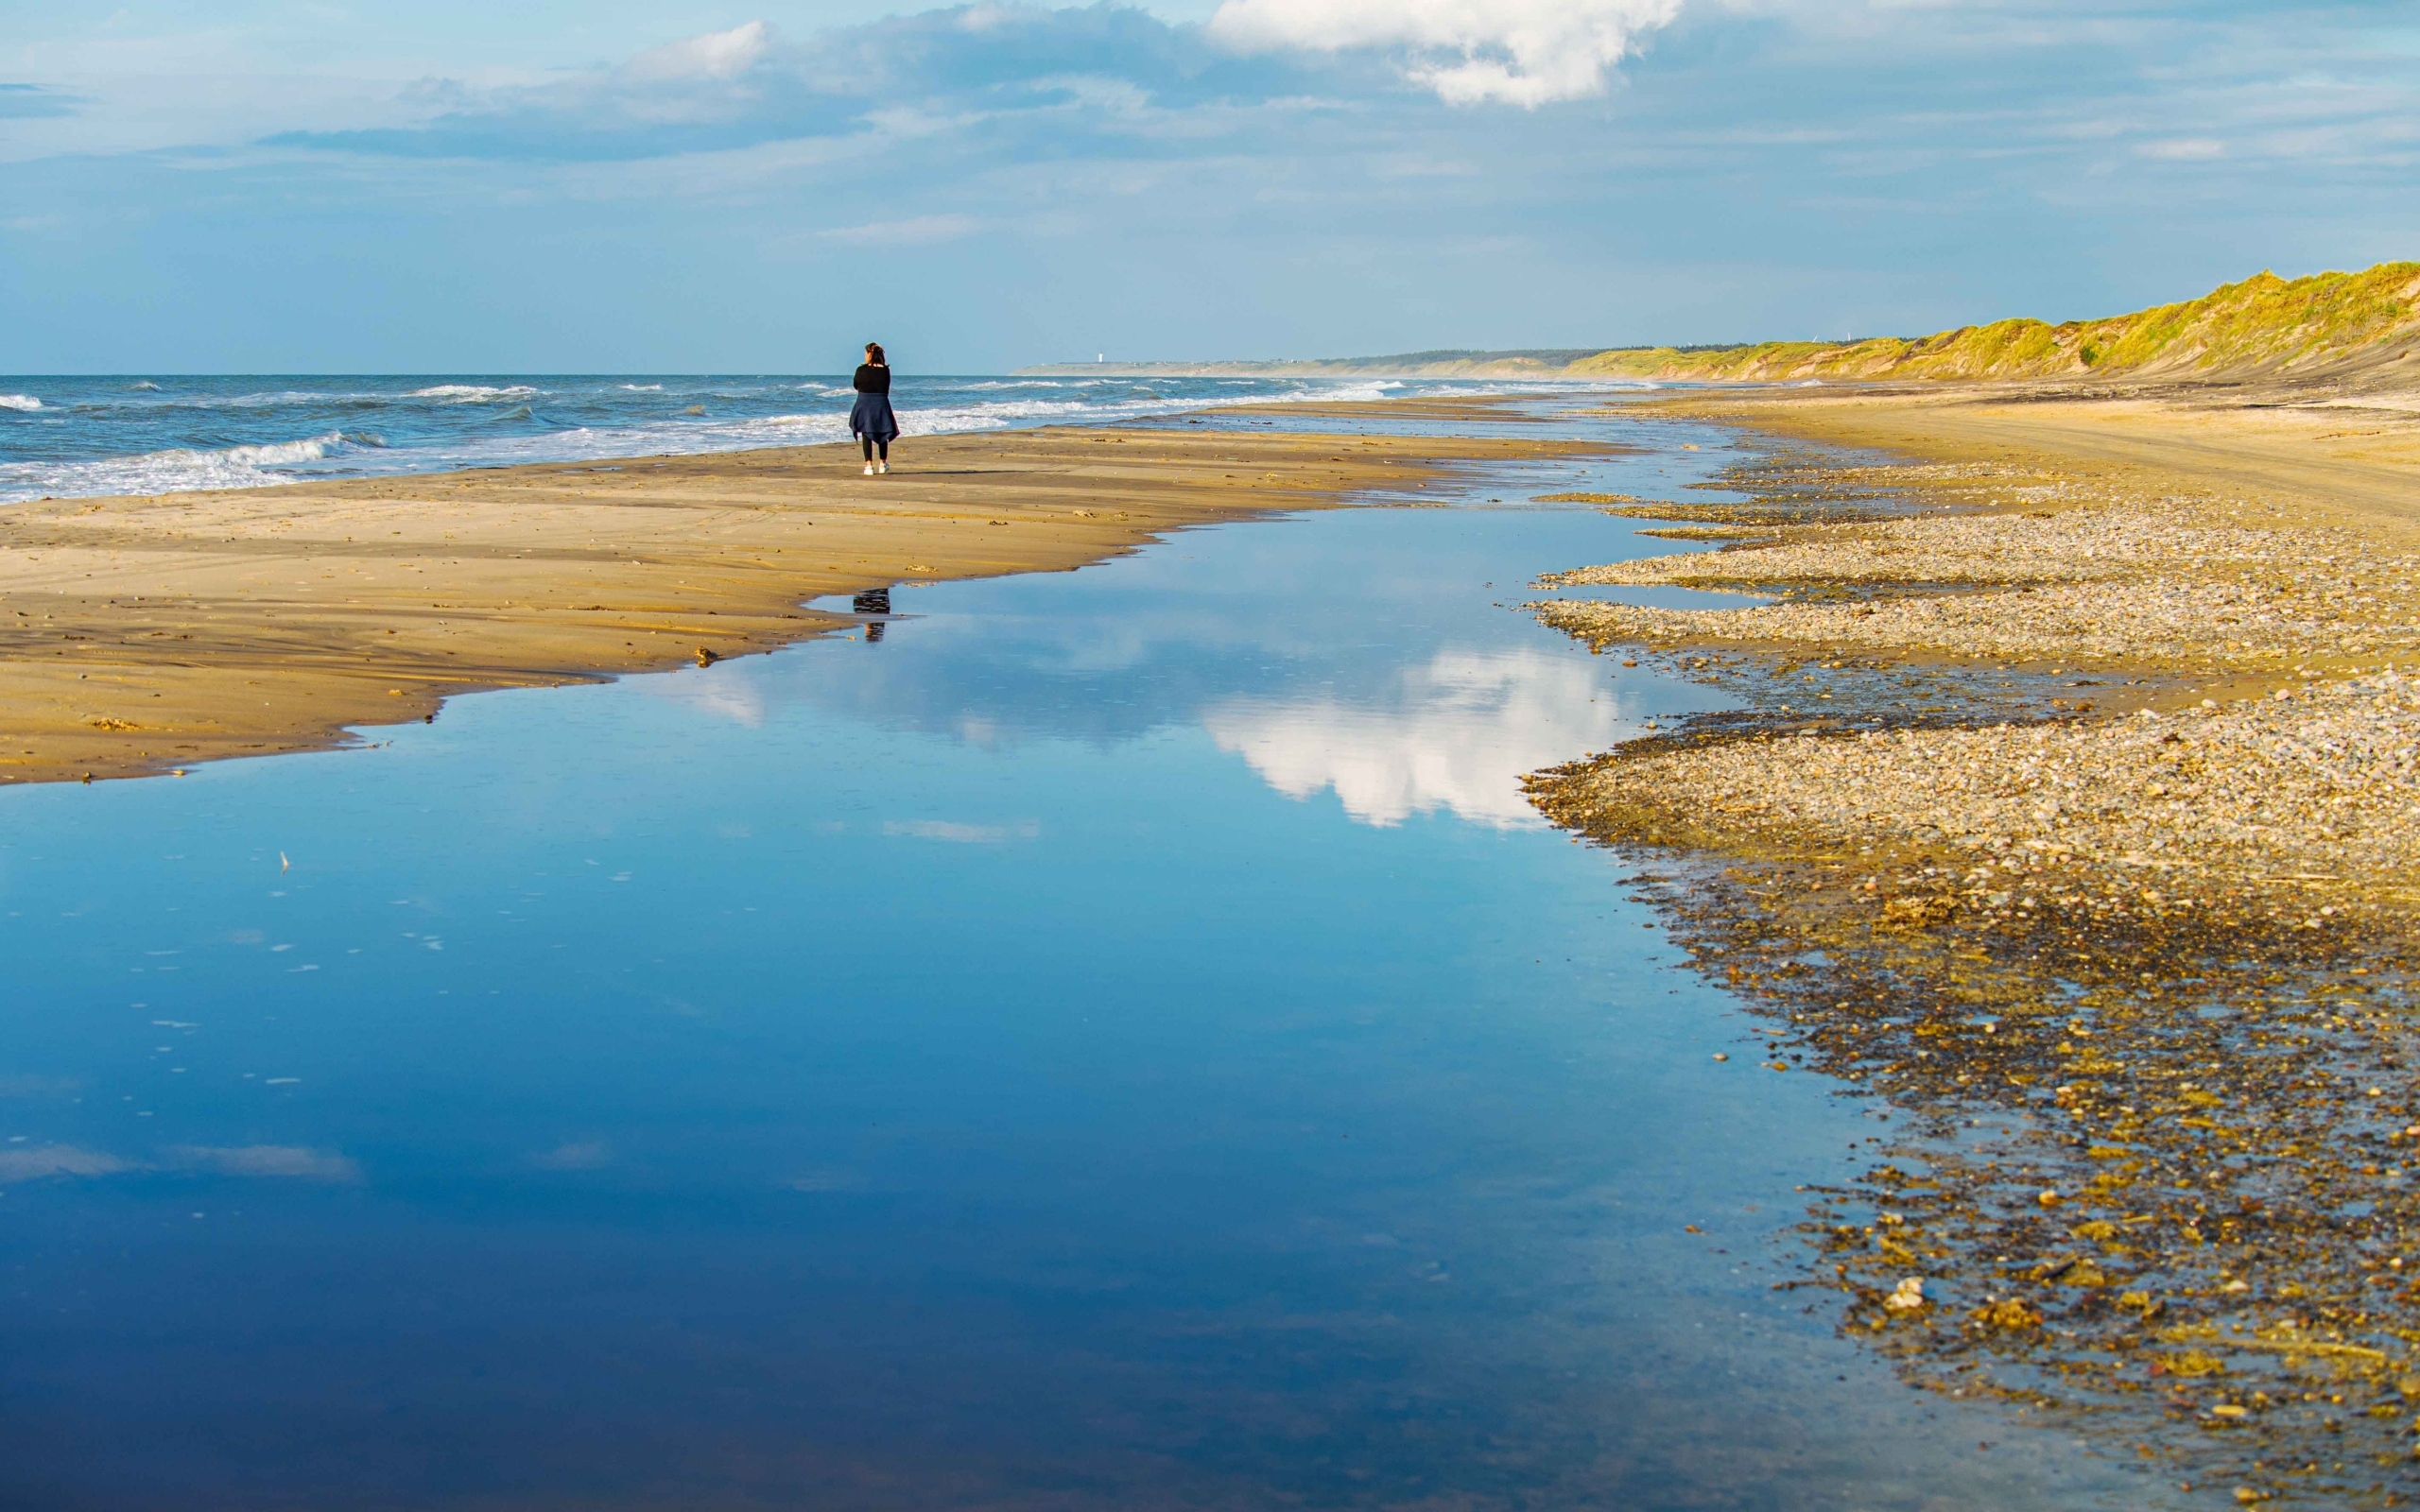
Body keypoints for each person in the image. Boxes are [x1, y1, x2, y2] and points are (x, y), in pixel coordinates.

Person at [850, 343, 899, 475]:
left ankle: (869, 466)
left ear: (870, 353)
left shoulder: (861, 370)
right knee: (883, 432)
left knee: (866, 431)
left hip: (864, 402)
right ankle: (882, 463)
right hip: (881, 402)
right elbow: (886, 387)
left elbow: (856, 385)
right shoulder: (885, 370)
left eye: (866, 353)